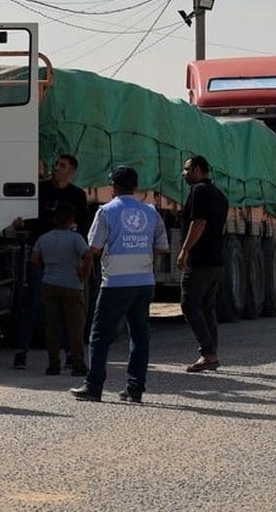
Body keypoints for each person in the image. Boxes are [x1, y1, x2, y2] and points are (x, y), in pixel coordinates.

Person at [71, 165, 168, 403]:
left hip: (115, 283)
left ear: (113, 186)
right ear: (135, 187)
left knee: (99, 336)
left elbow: (93, 248)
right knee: (139, 336)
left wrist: (84, 272)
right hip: (144, 282)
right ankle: (135, 388)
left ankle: (93, 386)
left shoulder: (106, 211)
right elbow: (162, 246)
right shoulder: (151, 212)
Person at [13, 153, 89, 369]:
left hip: (66, 259)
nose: (56, 168)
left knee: (68, 311)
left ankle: (69, 356)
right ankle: (21, 352)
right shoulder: (42, 190)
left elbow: (83, 228)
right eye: (55, 164)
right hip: (42, 254)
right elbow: (31, 218)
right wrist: (22, 226)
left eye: (62, 165)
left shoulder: (77, 195)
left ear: (72, 171)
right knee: (34, 304)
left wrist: (82, 266)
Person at [177, 155, 229, 372]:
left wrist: (185, 250)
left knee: (189, 305)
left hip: (200, 260)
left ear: (198, 169)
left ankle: (207, 353)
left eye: (187, 169)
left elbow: (199, 222)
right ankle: (212, 354)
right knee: (206, 307)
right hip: (217, 260)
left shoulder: (199, 191)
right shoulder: (220, 194)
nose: (184, 173)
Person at [32, 202, 90, 376]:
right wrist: (84, 275)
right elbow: (87, 256)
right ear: (71, 220)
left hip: (49, 283)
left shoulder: (45, 238)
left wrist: (46, 267)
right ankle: (78, 365)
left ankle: (53, 365)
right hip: (72, 285)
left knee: (52, 326)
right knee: (75, 327)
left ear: (54, 219)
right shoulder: (76, 238)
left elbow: (35, 259)